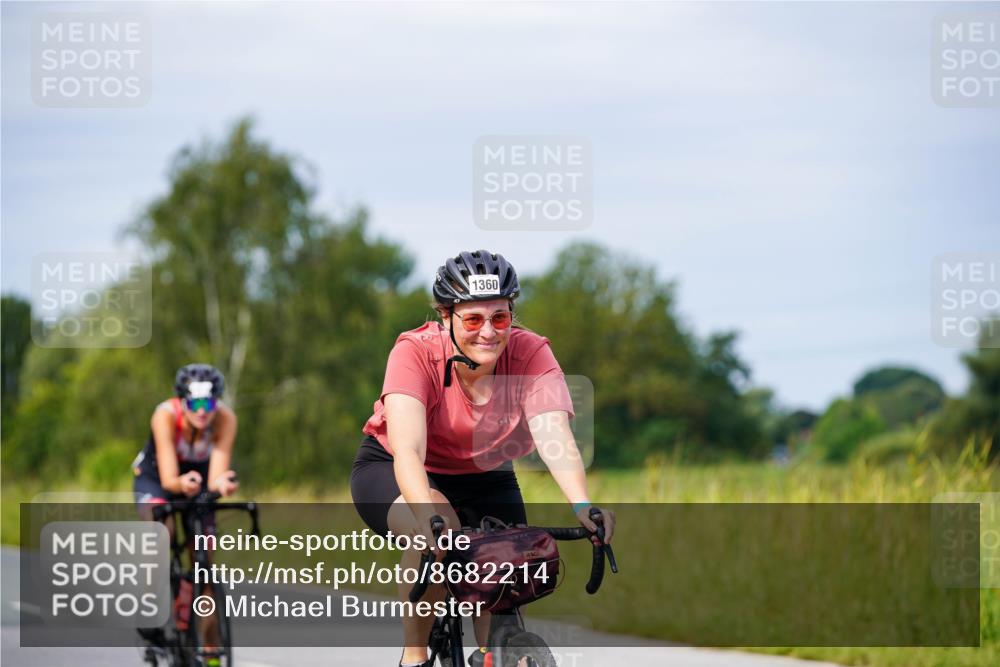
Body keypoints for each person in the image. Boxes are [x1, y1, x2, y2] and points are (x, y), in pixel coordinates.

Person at [351, 250, 616, 667]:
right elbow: (409, 450)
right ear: (446, 317)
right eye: (473, 320)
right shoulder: (415, 351)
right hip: (397, 468)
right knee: (437, 534)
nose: (488, 332)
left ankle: (495, 655)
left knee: (505, 578)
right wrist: (427, 516)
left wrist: (582, 504)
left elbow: (554, 435)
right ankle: (415, 657)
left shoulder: (531, 354)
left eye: (500, 318)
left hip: (486, 474)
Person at [132, 363, 238, 664]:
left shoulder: (226, 419)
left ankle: (211, 654)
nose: (203, 412)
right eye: (195, 404)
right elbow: (169, 479)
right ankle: (150, 612)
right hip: (157, 479)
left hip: (197, 480)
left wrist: (222, 485)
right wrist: (181, 485)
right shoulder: (165, 415)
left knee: (205, 567)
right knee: (161, 534)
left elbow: (216, 476)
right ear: (182, 401)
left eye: (209, 404)